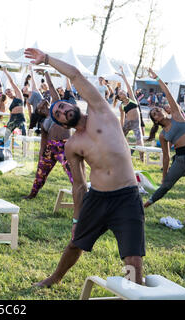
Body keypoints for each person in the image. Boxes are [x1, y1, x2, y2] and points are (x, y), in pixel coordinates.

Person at [24, 47, 145, 287]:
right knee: (75, 243)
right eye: (58, 113)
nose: (63, 110)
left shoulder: (101, 111)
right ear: (58, 122)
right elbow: (79, 185)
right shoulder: (72, 145)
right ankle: (55, 278)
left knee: (133, 257)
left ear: (72, 105)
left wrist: (47, 59)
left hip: (127, 196)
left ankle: (135, 289)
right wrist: (76, 221)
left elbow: (76, 75)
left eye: (63, 106)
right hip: (97, 198)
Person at [144, 68, 185, 213]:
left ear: (164, 111)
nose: (157, 112)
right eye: (154, 114)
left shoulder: (177, 115)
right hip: (179, 160)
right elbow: (165, 156)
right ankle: (146, 204)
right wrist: (164, 174)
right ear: (155, 121)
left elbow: (168, 93)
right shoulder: (162, 135)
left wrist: (157, 77)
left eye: (157, 110)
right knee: (165, 186)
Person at [23, 70, 73, 200]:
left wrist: (46, 74)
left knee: (72, 172)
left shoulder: (57, 108)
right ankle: (32, 194)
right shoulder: (43, 123)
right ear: (39, 110)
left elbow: (53, 91)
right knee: (41, 173)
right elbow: (43, 142)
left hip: (64, 145)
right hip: (50, 148)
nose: (42, 101)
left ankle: (83, 195)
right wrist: (41, 156)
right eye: (39, 103)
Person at [115, 66, 145, 162]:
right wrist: (121, 127)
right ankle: (118, 153)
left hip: (136, 123)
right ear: (120, 98)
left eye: (122, 91)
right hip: (127, 123)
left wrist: (123, 76)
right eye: (120, 93)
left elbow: (128, 85)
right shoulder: (121, 106)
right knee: (120, 137)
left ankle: (141, 158)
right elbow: (122, 119)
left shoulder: (132, 99)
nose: (123, 92)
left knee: (139, 139)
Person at [0, 68, 26, 146]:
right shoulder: (11, 102)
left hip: (20, 118)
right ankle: (2, 146)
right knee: (6, 136)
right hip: (12, 119)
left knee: (24, 135)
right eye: (7, 93)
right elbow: (11, 113)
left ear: (13, 90)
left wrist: (6, 72)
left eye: (9, 91)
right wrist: (9, 121)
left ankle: (24, 149)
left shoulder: (19, 95)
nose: (8, 93)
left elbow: (11, 82)